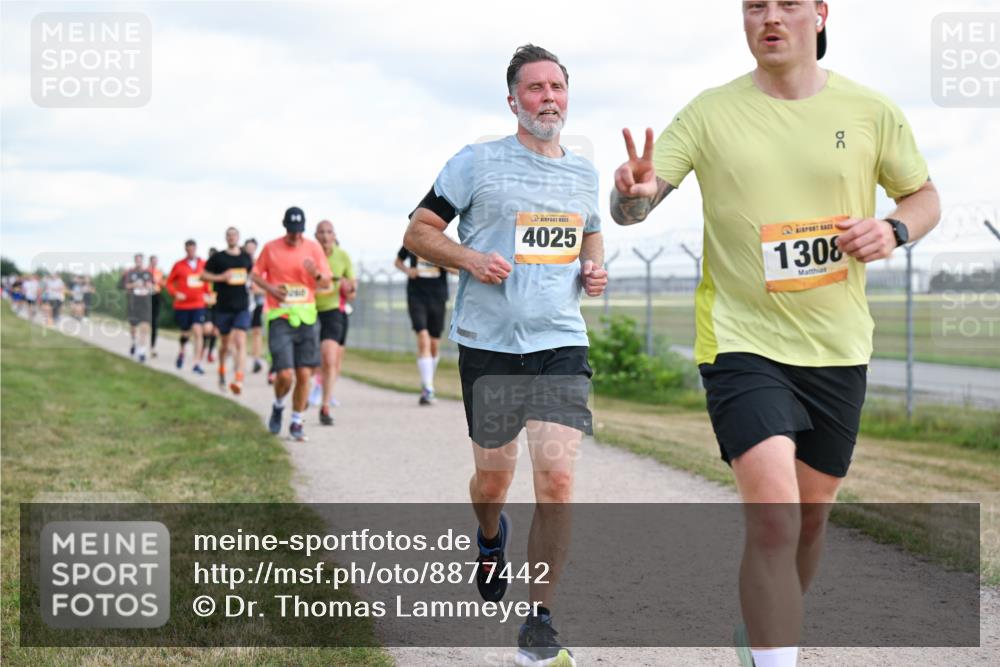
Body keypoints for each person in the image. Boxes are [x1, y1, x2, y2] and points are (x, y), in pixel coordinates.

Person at [609, 3, 941, 666]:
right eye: (755, 4)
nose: (770, 16)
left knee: (810, 520)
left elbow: (924, 196)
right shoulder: (708, 113)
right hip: (740, 341)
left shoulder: (871, 110)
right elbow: (633, 206)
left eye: (788, 2)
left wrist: (895, 229)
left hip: (837, 345)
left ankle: (766, 628)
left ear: (820, 14)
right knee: (774, 517)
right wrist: (633, 195)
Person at [403, 44, 607, 667]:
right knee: (494, 478)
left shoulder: (583, 172)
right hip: (490, 347)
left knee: (559, 480)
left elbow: (590, 230)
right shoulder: (476, 162)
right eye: (536, 88)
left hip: (560, 343)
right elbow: (417, 231)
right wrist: (468, 259)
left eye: (558, 87)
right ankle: (489, 536)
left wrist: (594, 270)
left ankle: (539, 618)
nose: (549, 97)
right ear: (513, 99)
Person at [251, 207, 332, 442]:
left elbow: (326, 282)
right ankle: (278, 405)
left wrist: (315, 273)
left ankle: (297, 421)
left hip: (306, 316)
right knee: (285, 375)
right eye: (291, 230)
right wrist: (270, 289)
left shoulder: (313, 248)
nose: (295, 235)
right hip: (280, 317)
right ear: (284, 226)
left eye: (299, 231)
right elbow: (255, 274)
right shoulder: (271, 247)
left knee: (304, 374)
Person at [311, 220, 357, 425]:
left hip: (334, 311)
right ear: (315, 235)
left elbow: (353, 291)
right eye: (321, 232)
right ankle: (311, 387)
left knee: (330, 358)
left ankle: (325, 405)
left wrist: (349, 288)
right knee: (312, 358)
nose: (325, 236)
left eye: (329, 232)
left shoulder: (342, 256)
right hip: (308, 310)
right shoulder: (308, 255)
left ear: (334, 235)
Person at [395, 245, 450, 405]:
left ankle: (428, 382)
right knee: (423, 337)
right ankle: (428, 387)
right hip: (416, 295)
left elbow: (457, 269)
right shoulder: (412, 242)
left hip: (438, 296)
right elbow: (397, 262)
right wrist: (407, 270)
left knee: (434, 344)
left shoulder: (445, 243)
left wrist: (442, 261)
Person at [202, 227, 254, 394]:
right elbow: (203, 276)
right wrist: (221, 277)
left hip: (242, 306)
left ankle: (239, 379)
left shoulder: (246, 257)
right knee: (225, 344)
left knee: (240, 340)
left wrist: (254, 284)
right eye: (229, 235)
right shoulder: (218, 258)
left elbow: (253, 275)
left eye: (234, 235)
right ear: (226, 238)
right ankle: (222, 371)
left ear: (238, 237)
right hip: (223, 306)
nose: (231, 238)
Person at [165, 240, 211, 374]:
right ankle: (181, 351)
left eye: (193, 249)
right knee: (185, 332)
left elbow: (207, 281)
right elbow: (168, 283)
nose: (191, 251)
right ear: (185, 250)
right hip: (183, 305)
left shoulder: (203, 264)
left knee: (198, 330)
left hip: (198, 304)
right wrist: (175, 293)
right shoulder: (178, 265)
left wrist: (208, 294)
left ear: (196, 249)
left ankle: (197, 363)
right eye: (188, 249)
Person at [122, 254, 154, 362]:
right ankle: (134, 342)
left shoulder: (148, 273)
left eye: (140, 260)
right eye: (137, 260)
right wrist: (134, 285)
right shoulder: (130, 273)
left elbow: (152, 286)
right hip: (133, 303)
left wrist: (149, 286)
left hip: (145, 303)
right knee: (133, 327)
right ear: (135, 261)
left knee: (144, 326)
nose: (138, 262)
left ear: (142, 261)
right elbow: (126, 286)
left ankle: (141, 351)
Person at [243, 238, 266, 374]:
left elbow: (267, 286)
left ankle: (256, 360)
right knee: (241, 333)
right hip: (242, 303)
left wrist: (257, 290)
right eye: (248, 248)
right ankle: (240, 358)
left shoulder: (260, 265)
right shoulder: (240, 264)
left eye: (253, 248)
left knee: (257, 332)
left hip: (258, 303)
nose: (251, 251)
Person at [203, 247, 219, 363]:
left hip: (218, 305)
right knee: (207, 329)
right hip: (205, 304)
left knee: (215, 330)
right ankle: (203, 348)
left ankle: (210, 352)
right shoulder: (205, 272)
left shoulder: (220, 272)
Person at [149, 255, 165, 358]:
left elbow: (163, 284)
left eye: (156, 261)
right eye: (153, 261)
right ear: (150, 262)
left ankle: (153, 347)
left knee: (155, 323)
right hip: (146, 297)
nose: (155, 263)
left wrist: (161, 282)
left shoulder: (159, 272)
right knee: (145, 322)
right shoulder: (145, 271)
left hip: (156, 297)